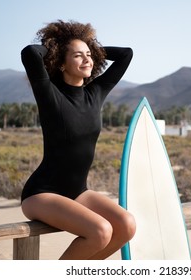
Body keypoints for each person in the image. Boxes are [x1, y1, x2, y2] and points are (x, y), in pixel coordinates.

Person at [20, 20, 136, 260]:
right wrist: (57, 46)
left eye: (89, 55)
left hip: (78, 192)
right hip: (42, 193)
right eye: (78, 56)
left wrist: (88, 47)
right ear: (61, 63)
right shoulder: (49, 93)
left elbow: (126, 55)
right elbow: (31, 53)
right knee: (101, 231)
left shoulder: (96, 92)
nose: (88, 59)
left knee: (126, 225)